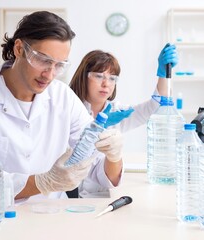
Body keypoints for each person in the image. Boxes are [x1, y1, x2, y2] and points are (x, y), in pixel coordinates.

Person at [0, 11, 124, 201]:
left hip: (55, 218)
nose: (49, 74)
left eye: (59, 65)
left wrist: (114, 156)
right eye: (43, 60)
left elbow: (99, 171)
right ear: (18, 49)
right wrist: (44, 182)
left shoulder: (63, 96)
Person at [69, 44, 178, 197]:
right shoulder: (69, 108)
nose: (106, 84)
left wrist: (163, 75)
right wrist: (96, 128)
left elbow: (154, 108)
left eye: (112, 78)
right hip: (69, 195)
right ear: (84, 76)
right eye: (99, 76)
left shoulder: (116, 112)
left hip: (103, 195)